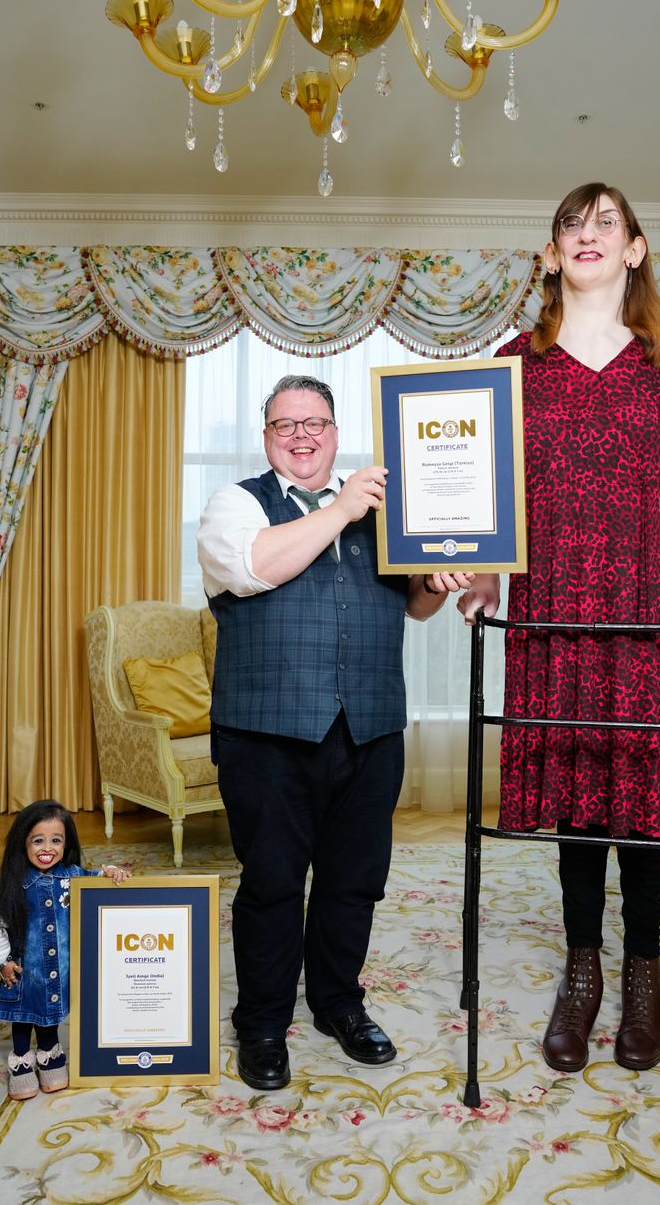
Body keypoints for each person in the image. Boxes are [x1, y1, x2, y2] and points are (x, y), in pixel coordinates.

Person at [457, 183, 660, 1075]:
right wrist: (483, 571)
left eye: (606, 223)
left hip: (639, 598)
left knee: (639, 788)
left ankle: (643, 969)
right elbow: (489, 481)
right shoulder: (516, 363)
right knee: (578, 795)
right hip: (552, 601)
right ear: (553, 253)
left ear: (633, 249)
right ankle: (582, 968)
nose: (587, 234)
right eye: (571, 224)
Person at [198, 373, 473, 1091]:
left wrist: (434, 582)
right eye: (285, 424)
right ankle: (262, 1022)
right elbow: (253, 567)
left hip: (370, 726)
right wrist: (344, 506)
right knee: (272, 884)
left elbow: (412, 606)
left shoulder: (382, 512)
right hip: (265, 734)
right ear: (266, 437)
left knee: (355, 882)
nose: (301, 436)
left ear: (334, 432)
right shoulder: (235, 505)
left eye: (314, 423)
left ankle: (338, 1004)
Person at [0, 799, 129, 1099]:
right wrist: (2, 961)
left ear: (66, 843)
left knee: (49, 1016)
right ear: (23, 843)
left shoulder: (71, 875)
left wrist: (111, 871)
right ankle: (21, 1060)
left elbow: (95, 881)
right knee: (23, 1016)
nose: (47, 848)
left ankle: (49, 1055)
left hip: (59, 969)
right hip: (25, 970)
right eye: (38, 840)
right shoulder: (16, 884)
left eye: (56, 840)